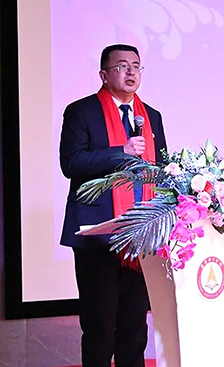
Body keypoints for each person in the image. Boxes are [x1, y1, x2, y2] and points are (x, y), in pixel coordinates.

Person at [59, 44, 167, 367]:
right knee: (100, 327)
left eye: (136, 65)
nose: (131, 72)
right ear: (104, 75)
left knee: (135, 329)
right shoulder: (81, 112)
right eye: (122, 66)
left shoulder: (151, 117)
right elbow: (71, 163)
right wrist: (122, 151)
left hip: (140, 237)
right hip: (98, 237)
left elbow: (161, 169)